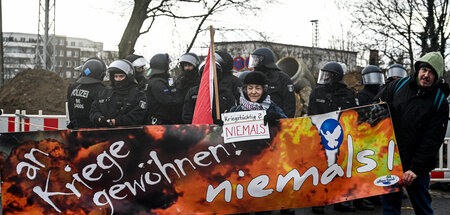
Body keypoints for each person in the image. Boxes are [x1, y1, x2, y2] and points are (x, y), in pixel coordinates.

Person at [377, 52, 449, 215]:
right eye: (424, 69)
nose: (426, 75)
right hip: (391, 163)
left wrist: (415, 169)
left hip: (416, 170)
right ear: (418, 69)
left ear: (436, 77)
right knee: (389, 209)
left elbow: (432, 140)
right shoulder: (397, 86)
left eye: (431, 73)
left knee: (423, 210)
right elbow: (375, 107)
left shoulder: (440, 102)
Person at [308, 62, 358, 214]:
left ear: (336, 77)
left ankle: (340, 200)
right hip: (321, 135)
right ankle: (319, 201)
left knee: (341, 167)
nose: (324, 77)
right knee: (321, 167)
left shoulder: (348, 94)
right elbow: (311, 113)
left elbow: (354, 115)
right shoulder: (317, 92)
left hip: (341, 136)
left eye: (327, 75)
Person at [90, 59, 147, 127]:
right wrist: (99, 118)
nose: (118, 79)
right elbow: (94, 110)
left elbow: (137, 115)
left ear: (128, 76)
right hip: (104, 133)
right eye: (116, 76)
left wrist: (116, 122)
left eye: (121, 76)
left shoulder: (138, 95)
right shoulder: (105, 92)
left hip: (128, 133)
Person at [248, 47, 296, 118]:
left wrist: (284, 122)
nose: (254, 63)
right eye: (253, 60)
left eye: (256, 60)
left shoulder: (282, 78)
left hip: (277, 120)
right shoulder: (251, 77)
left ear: (265, 60)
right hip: (255, 123)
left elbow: (289, 105)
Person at [67, 58, 107, 129]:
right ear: (101, 75)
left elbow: (71, 110)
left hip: (76, 129)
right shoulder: (101, 90)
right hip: (93, 132)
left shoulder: (73, 87)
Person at [146, 53, 183, 125]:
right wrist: (182, 100)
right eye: (167, 66)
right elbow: (167, 101)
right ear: (163, 67)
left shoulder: (158, 80)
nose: (169, 68)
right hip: (161, 122)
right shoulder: (157, 83)